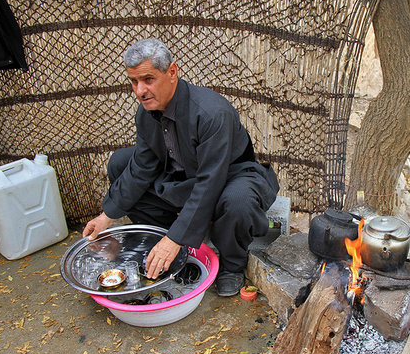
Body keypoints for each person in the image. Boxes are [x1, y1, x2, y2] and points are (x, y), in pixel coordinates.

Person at [82, 38, 279, 297]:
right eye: (134, 81)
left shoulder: (211, 113)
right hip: (185, 176)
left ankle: (232, 265)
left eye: (148, 79)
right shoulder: (145, 114)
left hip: (231, 176)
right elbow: (142, 167)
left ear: (172, 72)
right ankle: (166, 246)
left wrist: (176, 238)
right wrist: (107, 215)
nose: (140, 90)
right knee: (120, 163)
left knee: (238, 200)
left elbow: (210, 182)